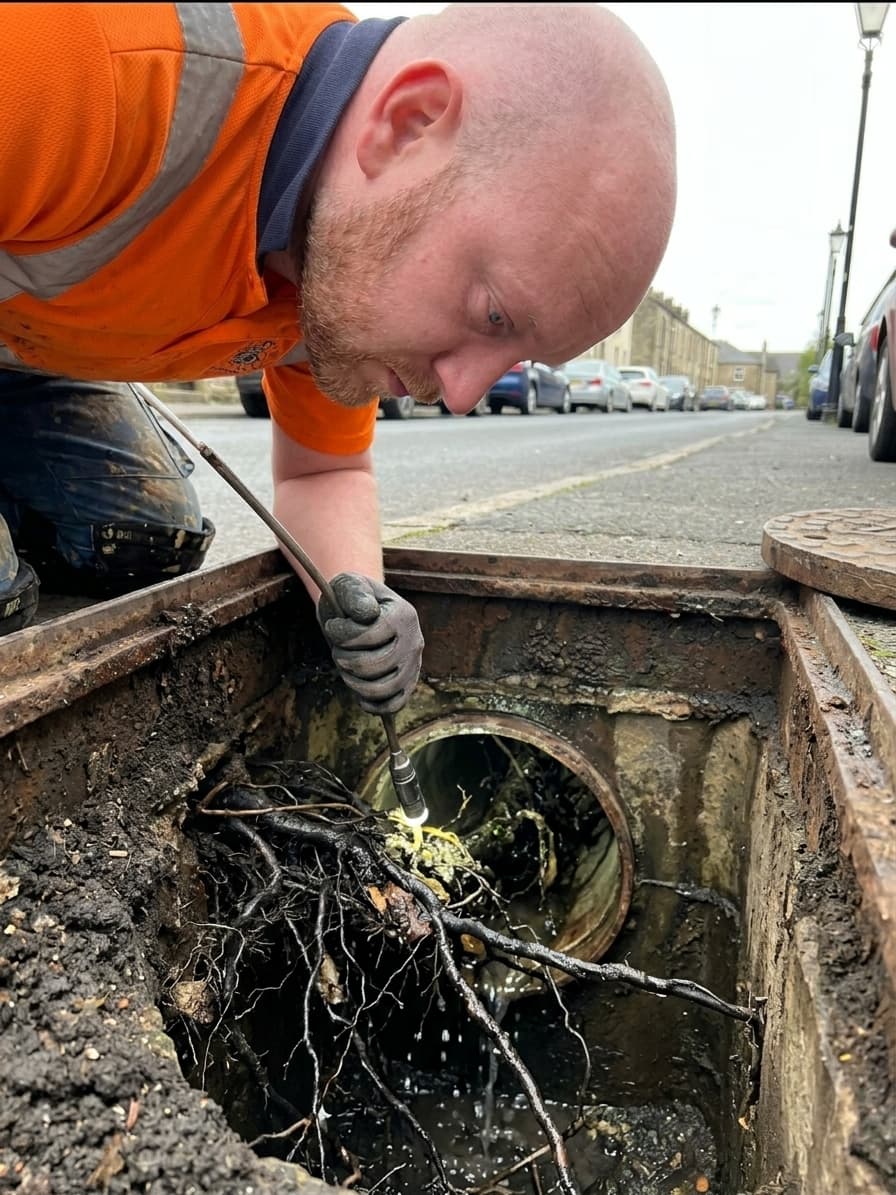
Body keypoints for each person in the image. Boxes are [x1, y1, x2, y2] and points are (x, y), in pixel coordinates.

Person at [0, 2, 676, 714]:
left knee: (139, 532)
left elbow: (326, 469)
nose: (461, 394)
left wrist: (359, 593)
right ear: (407, 124)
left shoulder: (334, 250)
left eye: (514, 357)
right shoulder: (87, 61)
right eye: (492, 316)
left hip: (27, 347)